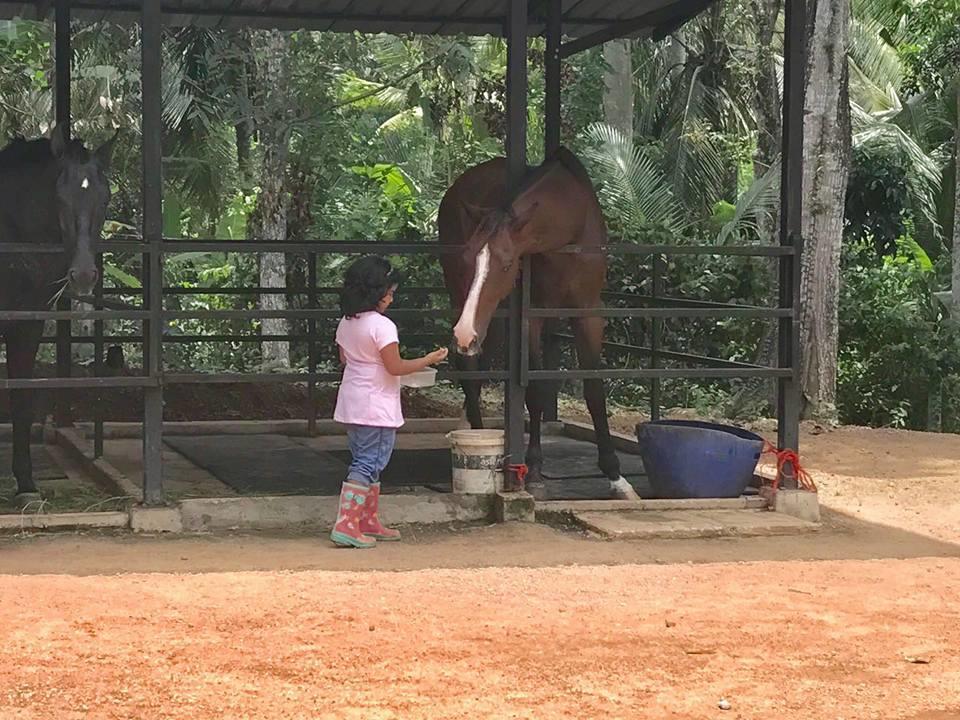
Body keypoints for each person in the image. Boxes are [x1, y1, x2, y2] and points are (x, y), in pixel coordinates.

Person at [331, 255, 448, 548]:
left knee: (366, 459)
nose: (391, 299)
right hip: (376, 404)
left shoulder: (346, 323)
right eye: (390, 293)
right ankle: (347, 524)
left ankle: (366, 520)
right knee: (369, 462)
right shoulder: (382, 326)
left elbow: (345, 359)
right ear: (376, 292)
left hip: (353, 399)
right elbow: (395, 367)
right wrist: (429, 360)